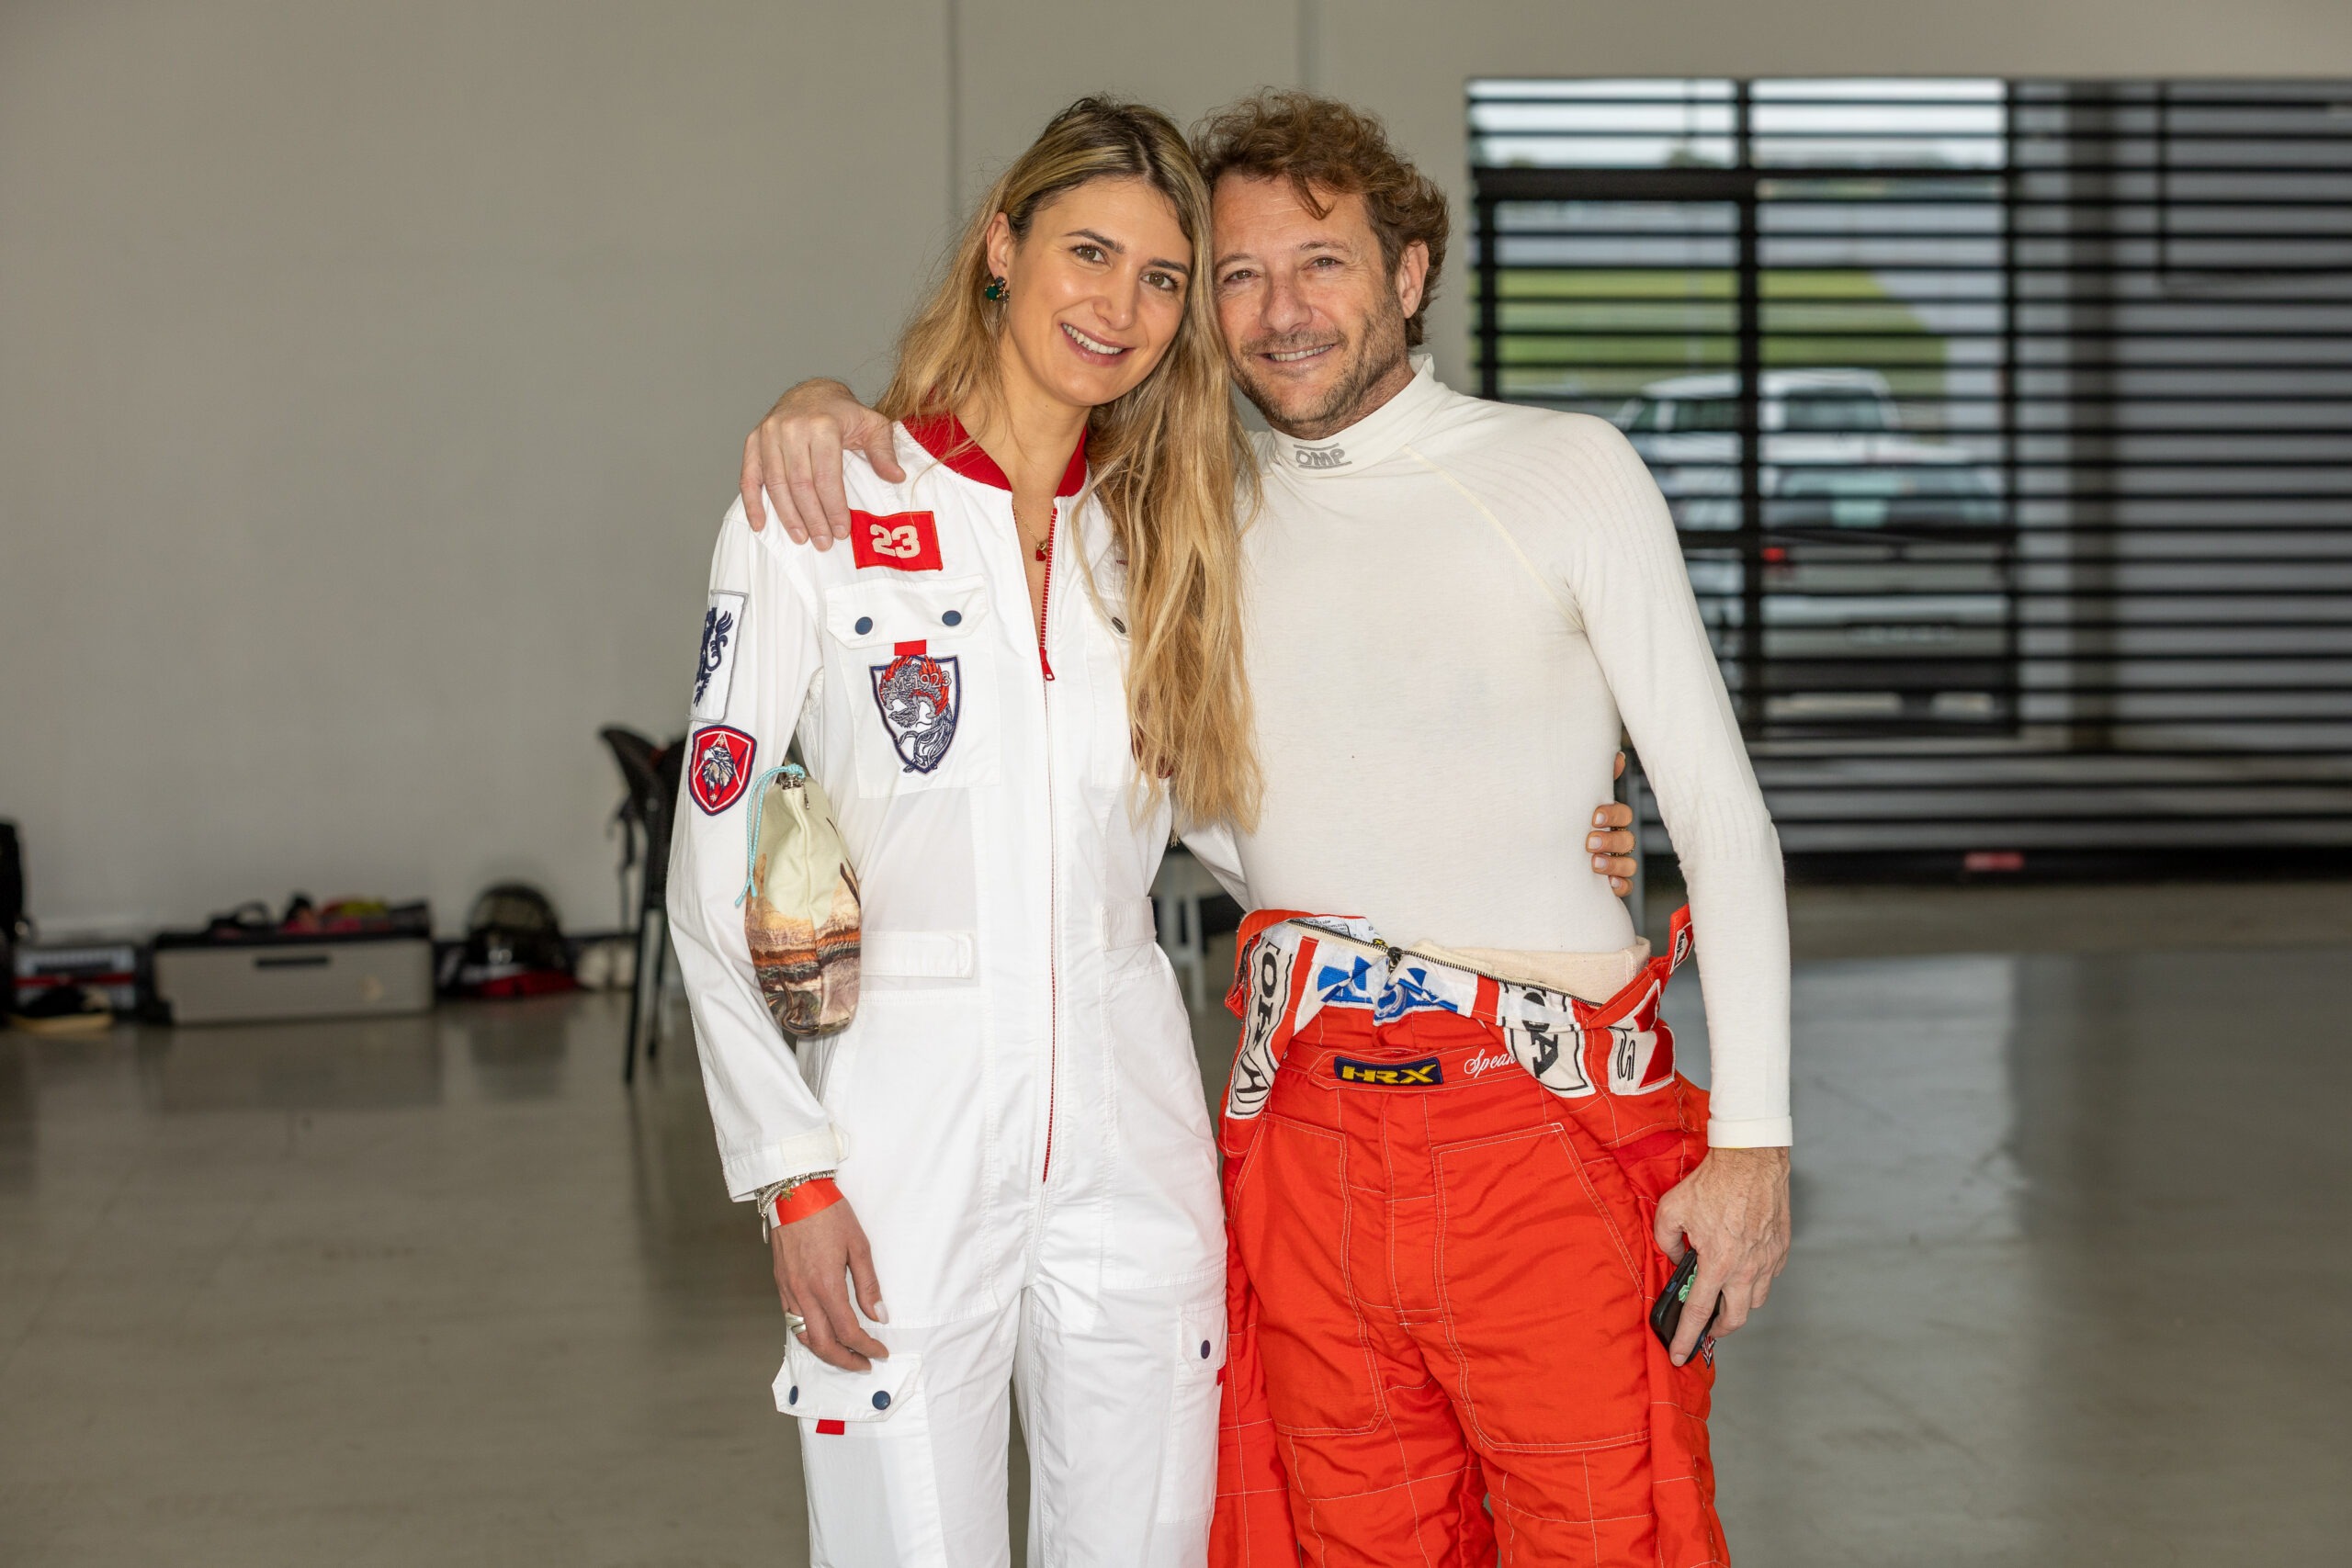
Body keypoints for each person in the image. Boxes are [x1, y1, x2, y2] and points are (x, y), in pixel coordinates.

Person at [738, 91, 1792, 1568]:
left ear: (1409, 273)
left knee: (1609, 1537)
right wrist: (814, 402)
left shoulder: (1566, 470)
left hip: (1540, 1135)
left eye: (1322, 264)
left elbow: (1724, 818)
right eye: (1236, 275)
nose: (1281, 312)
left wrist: (1753, 1147)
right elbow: (1183, 807)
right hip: (1300, 1137)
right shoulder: (1180, 515)